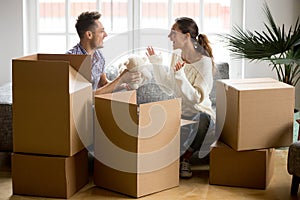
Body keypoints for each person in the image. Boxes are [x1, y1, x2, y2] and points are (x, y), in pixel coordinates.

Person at [146, 17, 216, 178]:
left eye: (173, 33)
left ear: (186, 37)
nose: (170, 37)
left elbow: (197, 98)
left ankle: (185, 160)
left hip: (199, 112)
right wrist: (156, 62)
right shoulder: (176, 55)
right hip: (180, 111)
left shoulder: (204, 63)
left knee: (204, 118)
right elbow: (169, 85)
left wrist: (180, 75)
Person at [67, 11, 140, 95]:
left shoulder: (99, 56)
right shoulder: (71, 59)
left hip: (92, 106)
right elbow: (82, 95)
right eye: (101, 31)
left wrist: (123, 85)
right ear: (89, 35)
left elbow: (104, 84)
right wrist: (120, 79)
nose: (106, 35)